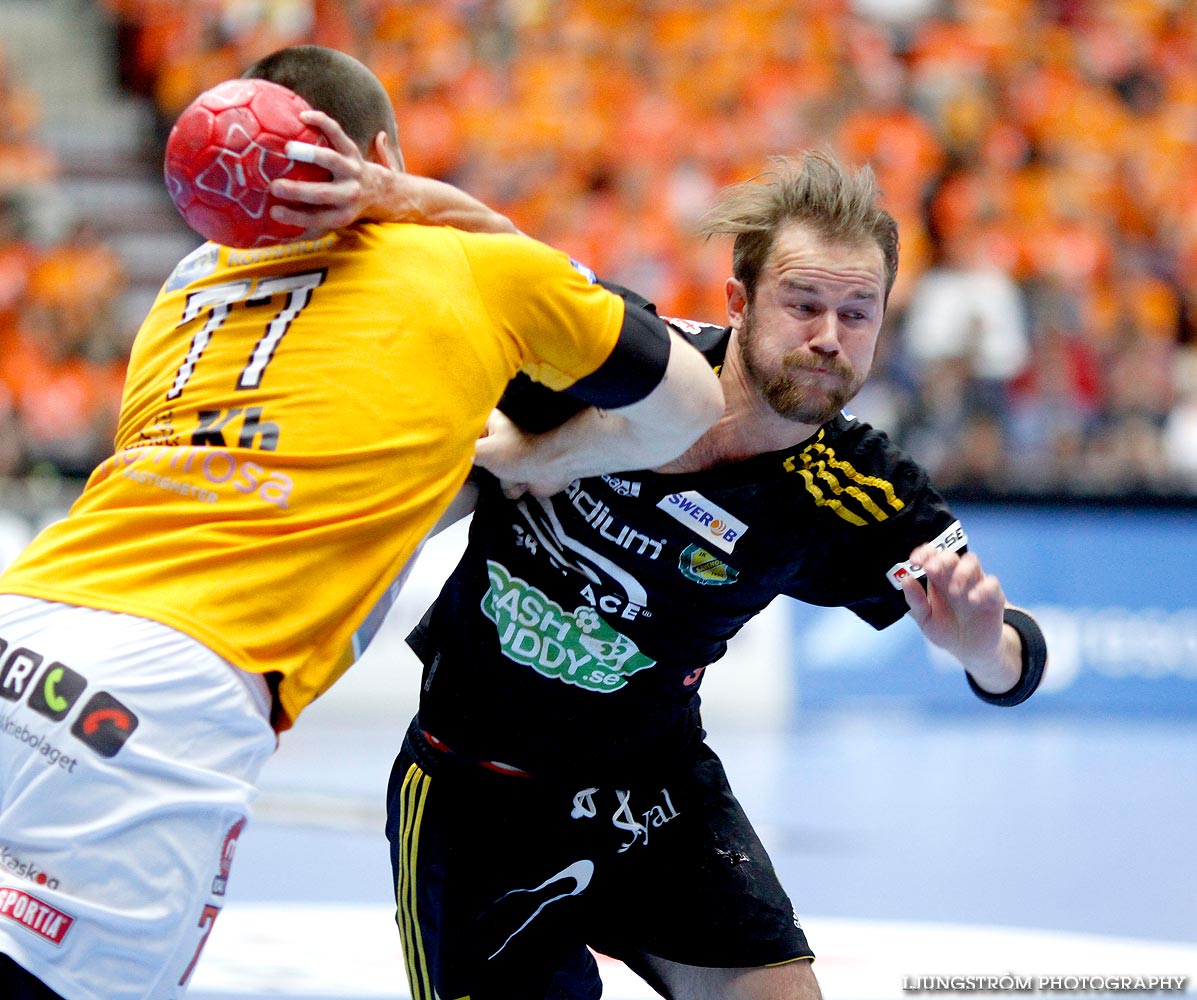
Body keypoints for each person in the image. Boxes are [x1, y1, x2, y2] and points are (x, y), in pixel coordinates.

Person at [0, 46, 724, 1000]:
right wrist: (537, 458)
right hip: (160, 703)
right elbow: (690, 405)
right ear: (381, 151)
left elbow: (339, 446)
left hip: (26, 623)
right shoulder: (471, 267)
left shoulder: (187, 284)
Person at [278, 140, 1049, 1000]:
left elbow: (1013, 656)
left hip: (653, 791)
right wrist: (391, 194)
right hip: (471, 788)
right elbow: (499, 256)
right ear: (739, 301)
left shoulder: (859, 489)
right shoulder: (629, 362)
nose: (829, 338)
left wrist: (979, 647)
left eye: (858, 312)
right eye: (802, 304)